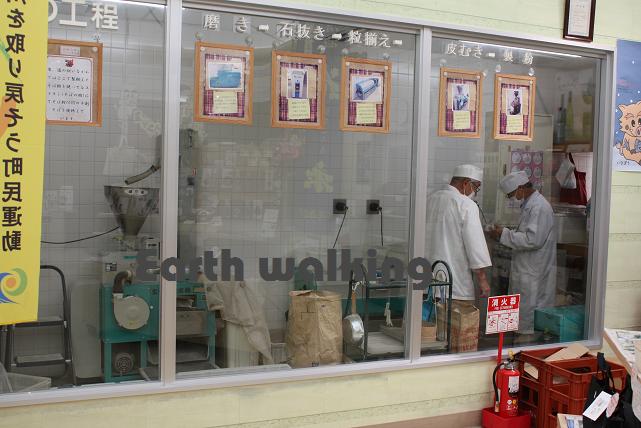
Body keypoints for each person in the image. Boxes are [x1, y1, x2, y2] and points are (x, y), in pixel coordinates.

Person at [425, 165, 492, 352]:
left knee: (429, 340)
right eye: (475, 187)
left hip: (426, 284)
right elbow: (475, 247)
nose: (474, 192)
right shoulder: (465, 205)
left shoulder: (430, 199)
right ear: (465, 183)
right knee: (455, 341)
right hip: (455, 287)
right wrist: (482, 280)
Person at [490, 171, 556, 341]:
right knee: (522, 313)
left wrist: (504, 234)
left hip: (534, 272)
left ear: (520, 188)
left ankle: (526, 343)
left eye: (511, 194)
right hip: (526, 270)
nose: (512, 198)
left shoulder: (539, 207)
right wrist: (506, 232)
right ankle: (520, 339)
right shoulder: (530, 205)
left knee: (529, 318)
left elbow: (532, 240)